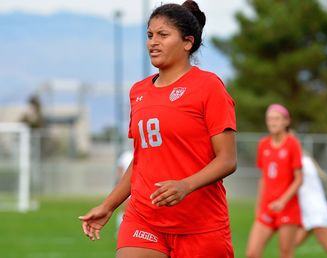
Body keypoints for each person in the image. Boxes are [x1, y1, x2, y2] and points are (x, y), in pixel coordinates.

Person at [79, 1, 237, 258]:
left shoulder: (209, 86)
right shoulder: (138, 91)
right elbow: (141, 161)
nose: (153, 42)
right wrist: (109, 206)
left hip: (200, 225)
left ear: (188, 42)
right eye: (150, 35)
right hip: (145, 218)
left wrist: (185, 186)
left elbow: (227, 160)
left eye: (163, 35)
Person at [246, 104, 303, 258]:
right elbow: (263, 178)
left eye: (277, 119)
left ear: (286, 121)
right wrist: (259, 206)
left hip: (288, 208)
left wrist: (282, 201)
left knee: (285, 253)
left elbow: (299, 179)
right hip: (267, 208)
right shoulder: (263, 144)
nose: (273, 122)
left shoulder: (293, 144)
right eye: (270, 119)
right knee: (252, 253)